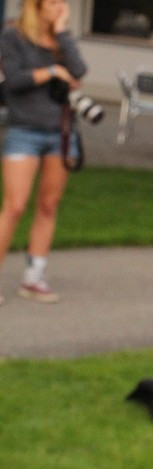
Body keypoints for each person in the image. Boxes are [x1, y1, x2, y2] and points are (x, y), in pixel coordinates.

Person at [0, 0, 86, 305]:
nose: (60, 7)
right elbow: (13, 80)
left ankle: (34, 277)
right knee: (15, 206)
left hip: (59, 132)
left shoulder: (62, 40)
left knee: (49, 204)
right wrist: (50, 72)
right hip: (25, 131)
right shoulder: (14, 36)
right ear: (34, 6)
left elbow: (79, 71)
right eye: (53, 2)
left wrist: (62, 33)